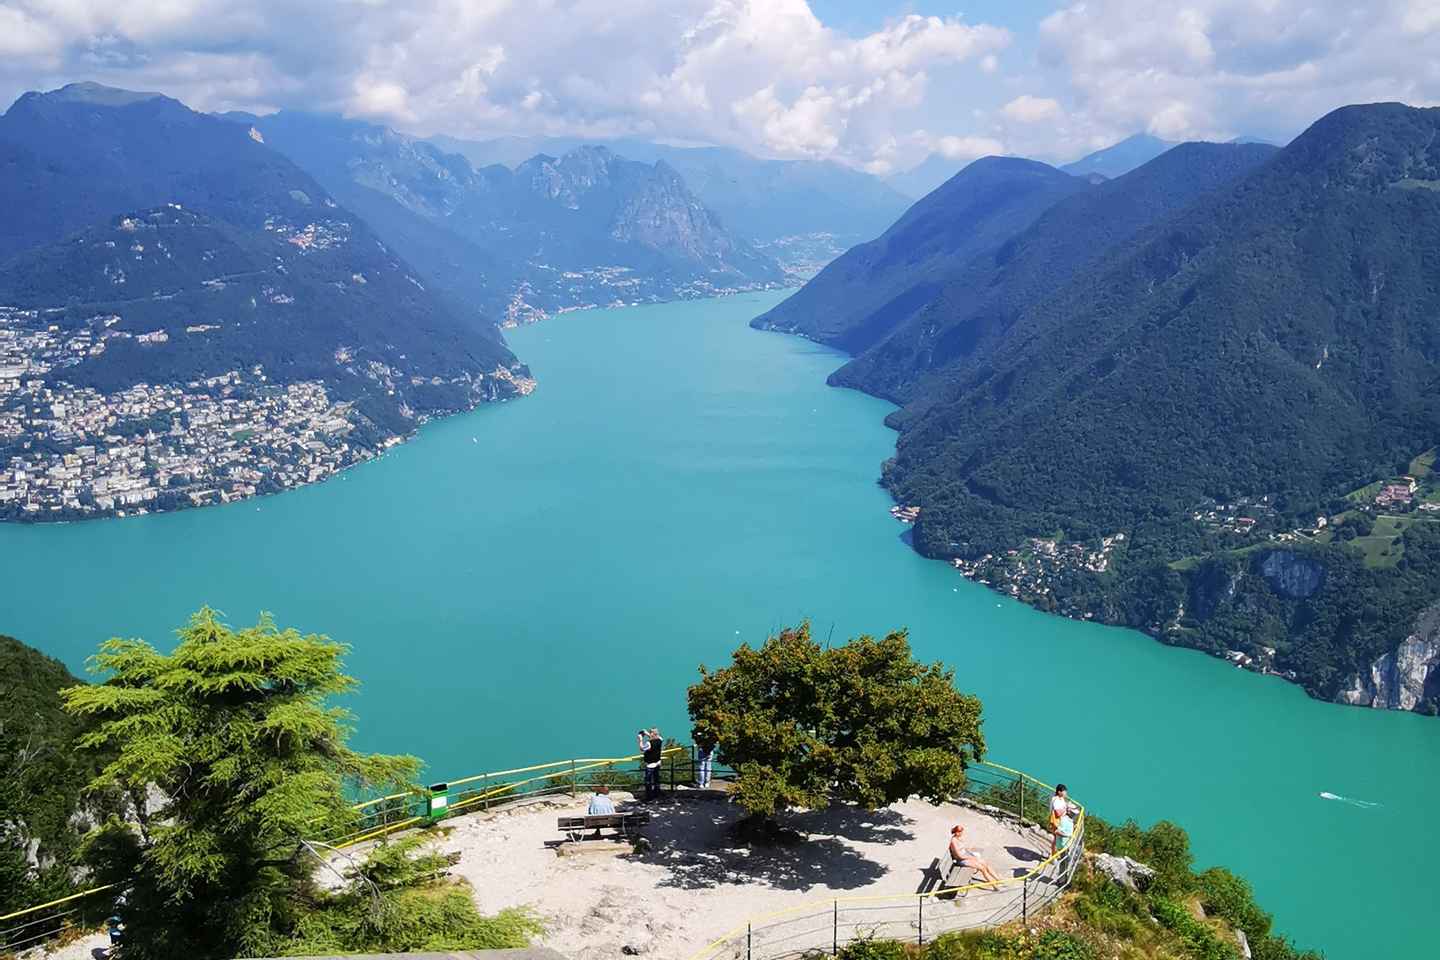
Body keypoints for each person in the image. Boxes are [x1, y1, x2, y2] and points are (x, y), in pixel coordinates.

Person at [948, 825, 1004, 891]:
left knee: (985, 863)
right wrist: (972, 858)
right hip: (961, 860)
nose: (962, 834)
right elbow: (960, 856)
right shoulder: (953, 841)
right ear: (957, 832)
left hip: (966, 855)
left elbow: (963, 848)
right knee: (982, 868)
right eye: (961, 832)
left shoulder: (958, 838)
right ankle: (994, 886)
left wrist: (971, 851)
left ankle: (998, 879)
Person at [1050, 784, 1078, 854]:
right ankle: (1053, 856)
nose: (1066, 793)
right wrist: (1066, 807)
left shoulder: (1061, 799)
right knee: (1056, 839)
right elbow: (1058, 813)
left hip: (1060, 821)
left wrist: (1066, 805)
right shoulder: (1056, 800)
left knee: (1056, 839)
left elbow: (1063, 807)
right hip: (1056, 820)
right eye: (1064, 792)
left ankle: (1055, 855)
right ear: (1059, 792)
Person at [638, 727, 664, 800]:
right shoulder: (660, 739)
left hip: (650, 764)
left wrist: (640, 740)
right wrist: (647, 734)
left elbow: (642, 749)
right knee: (656, 780)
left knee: (648, 782)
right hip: (658, 763)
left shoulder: (649, 743)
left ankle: (649, 797)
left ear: (652, 734)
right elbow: (655, 737)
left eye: (650, 732)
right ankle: (657, 794)